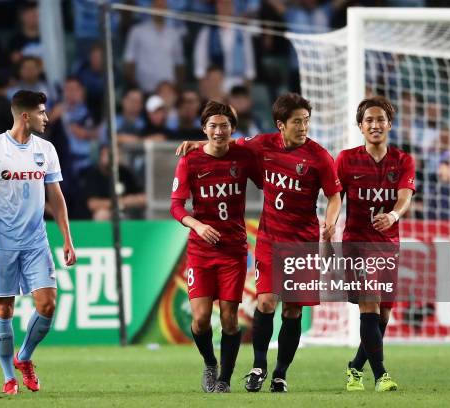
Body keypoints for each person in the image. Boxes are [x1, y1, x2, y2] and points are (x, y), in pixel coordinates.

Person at [177, 93, 342, 393]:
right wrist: (198, 145)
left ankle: (280, 373)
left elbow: (334, 194)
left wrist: (330, 222)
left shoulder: (319, 157)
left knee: (292, 310)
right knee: (266, 302)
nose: (303, 126)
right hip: (269, 238)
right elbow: (224, 142)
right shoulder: (261, 144)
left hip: (303, 243)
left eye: (306, 121)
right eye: (296, 122)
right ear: (281, 124)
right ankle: (259, 366)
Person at [0, 90, 76, 395]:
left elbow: (56, 197)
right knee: (4, 310)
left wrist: (67, 238)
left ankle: (24, 357)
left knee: (48, 304)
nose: (47, 118)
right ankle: (8, 377)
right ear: (26, 116)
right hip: (1, 241)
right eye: (42, 112)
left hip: (36, 240)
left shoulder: (47, 150)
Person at [171, 101, 262, 393]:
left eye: (224, 126)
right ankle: (210, 363)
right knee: (199, 319)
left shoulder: (244, 156)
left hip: (233, 249)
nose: (218, 131)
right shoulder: (191, 160)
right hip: (200, 249)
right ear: (204, 128)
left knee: (230, 318)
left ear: (232, 129)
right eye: (213, 126)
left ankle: (224, 379)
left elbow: (266, 180)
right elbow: (176, 206)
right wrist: (197, 225)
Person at [335, 96, 415, 392]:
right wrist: (329, 224)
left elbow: (404, 196)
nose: (375, 124)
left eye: (380, 119)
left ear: (389, 125)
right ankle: (381, 375)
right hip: (356, 244)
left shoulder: (403, 160)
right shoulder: (345, 159)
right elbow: (335, 197)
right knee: (369, 305)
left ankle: (355, 368)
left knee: (382, 315)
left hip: (388, 245)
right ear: (360, 126)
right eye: (369, 120)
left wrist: (393, 215)